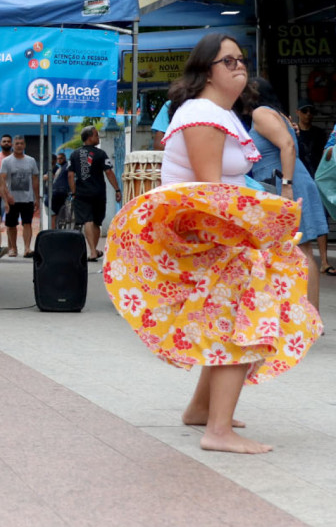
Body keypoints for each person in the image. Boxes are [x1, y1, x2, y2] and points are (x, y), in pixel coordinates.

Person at [107, 33, 321, 454]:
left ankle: (201, 411)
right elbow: (210, 194)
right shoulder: (203, 114)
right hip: (210, 238)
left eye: (241, 60)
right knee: (243, 325)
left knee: (226, 322)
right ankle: (218, 432)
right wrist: (261, 224)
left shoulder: (213, 112)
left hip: (216, 237)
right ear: (207, 70)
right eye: (228, 61)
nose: (239, 66)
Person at [243, 78, 329, 310]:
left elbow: (288, 146)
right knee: (299, 250)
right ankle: (306, 317)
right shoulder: (276, 114)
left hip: (286, 183)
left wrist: (287, 185)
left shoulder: (261, 113)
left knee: (302, 250)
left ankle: (309, 318)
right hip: (288, 180)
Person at [68, 126, 120, 261]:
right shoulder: (101, 154)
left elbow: (70, 175)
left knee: (88, 221)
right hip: (98, 193)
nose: (98, 138)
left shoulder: (74, 154)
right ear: (90, 137)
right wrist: (117, 189)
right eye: (96, 135)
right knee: (96, 222)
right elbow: (109, 172)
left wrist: (73, 192)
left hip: (81, 193)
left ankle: (92, 250)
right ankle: (93, 251)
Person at [0, 137, 41, 258]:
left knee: (27, 223)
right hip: (12, 199)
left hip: (27, 199)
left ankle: (27, 248)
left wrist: (36, 198)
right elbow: (2, 180)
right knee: (11, 225)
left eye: (21, 143)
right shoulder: (7, 161)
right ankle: (13, 248)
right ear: (13, 145)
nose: (19, 145)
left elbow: (35, 180)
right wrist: (7, 196)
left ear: (25, 145)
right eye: (17, 143)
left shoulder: (31, 161)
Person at [296, 103, 326, 177]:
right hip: (299, 173)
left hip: (318, 173)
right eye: (304, 111)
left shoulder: (320, 133)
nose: (308, 114)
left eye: (311, 111)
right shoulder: (293, 132)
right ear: (297, 112)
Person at [49, 152, 70, 228]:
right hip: (57, 191)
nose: (59, 160)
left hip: (60, 192)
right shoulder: (61, 168)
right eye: (58, 158)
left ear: (65, 158)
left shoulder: (66, 167)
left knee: (54, 213)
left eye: (61, 158)